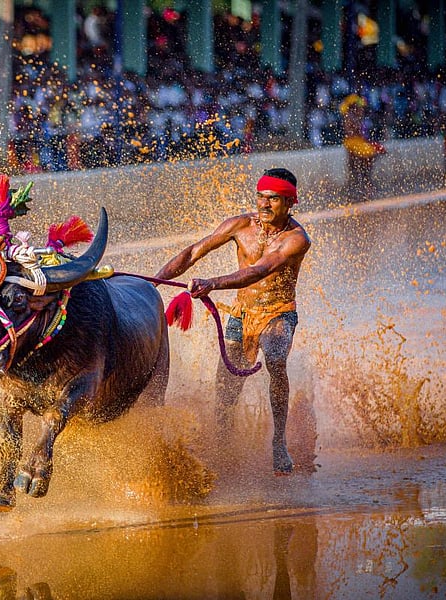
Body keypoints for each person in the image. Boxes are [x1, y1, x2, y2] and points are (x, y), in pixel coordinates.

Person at [154, 168, 311, 474]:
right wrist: (154, 282)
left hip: (278, 311)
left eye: (274, 199)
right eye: (261, 197)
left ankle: (279, 442)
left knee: (276, 360)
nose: (264, 205)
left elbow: (259, 271)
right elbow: (192, 253)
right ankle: (223, 441)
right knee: (227, 384)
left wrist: (212, 283)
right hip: (242, 312)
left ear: (290, 202)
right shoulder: (241, 224)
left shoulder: (297, 239)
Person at [339, 93, 385, 201]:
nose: (361, 110)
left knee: (361, 170)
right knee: (358, 170)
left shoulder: (355, 117)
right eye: (358, 107)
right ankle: (359, 191)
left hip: (358, 144)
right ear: (354, 107)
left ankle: (362, 190)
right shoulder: (350, 117)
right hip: (354, 145)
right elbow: (351, 133)